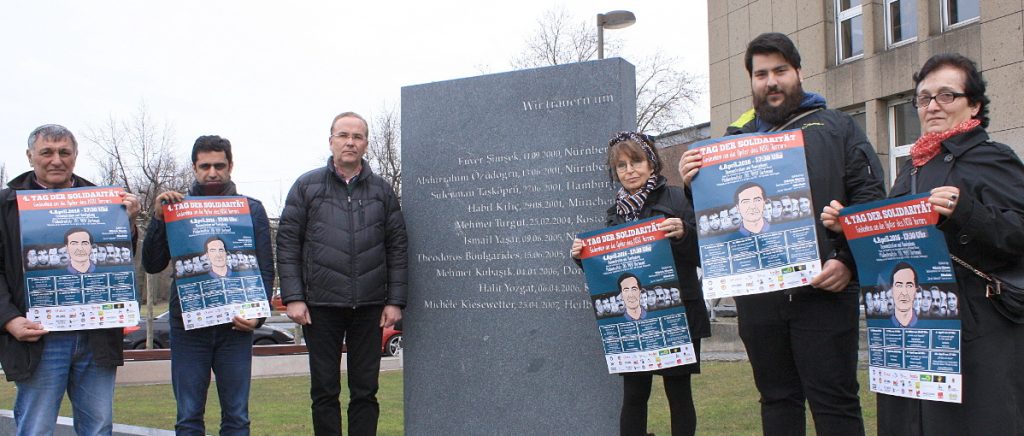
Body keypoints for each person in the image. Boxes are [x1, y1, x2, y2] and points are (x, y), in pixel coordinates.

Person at [678, 33, 886, 435]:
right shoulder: (732, 143)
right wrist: (694, 185)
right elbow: (711, 224)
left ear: (798, 73)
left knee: (835, 403)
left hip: (824, 292)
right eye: (761, 74)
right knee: (776, 400)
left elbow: (871, 201)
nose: (771, 81)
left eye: (780, 71)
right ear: (752, 81)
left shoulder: (837, 127)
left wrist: (847, 261)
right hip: (759, 299)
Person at [821, 53, 1024, 435]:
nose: (932, 106)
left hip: (975, 333)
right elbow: (893, 245)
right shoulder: (913, 167)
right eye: (924, 97)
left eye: (946, 95)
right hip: (911, 332)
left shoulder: (991, 158)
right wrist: (847, 227)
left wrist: (966, 212)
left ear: (974, 105)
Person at [0, 124, 140, 435]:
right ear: (30, 156)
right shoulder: (6, 204)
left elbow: (118, 259)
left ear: (75, 156)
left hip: (96, 336)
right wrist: (9, 319)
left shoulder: (104, 201)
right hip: (39, 338)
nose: (56, 160)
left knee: (99, 427)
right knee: (35, 428)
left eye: (64, 152)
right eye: (46, 152)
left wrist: (127, 223)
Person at [277, 111, 408, 436]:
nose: (350, 142)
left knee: (365, 392)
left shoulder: (382, 190)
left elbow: (397, 246)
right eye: (343, 135)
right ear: (331, 140)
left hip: (370, 307)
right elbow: (288, 244)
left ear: (366, 144)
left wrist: (395, 301)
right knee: (324, 391)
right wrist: (294, 297)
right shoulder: (306, 187)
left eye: (358, 136)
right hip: (320, 308)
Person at [572, 131, 710, 436]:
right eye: (621, 165)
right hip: (631, 317)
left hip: (677, 312)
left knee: (678, 392)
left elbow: (705, 255)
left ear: (651, 163)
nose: (629, 170)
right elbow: (609, 272)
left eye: (635, 161)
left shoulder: (677, 198)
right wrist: (583, 258)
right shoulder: (614, 215)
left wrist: (685, 232)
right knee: (634, 395)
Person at [142, 135, 274, 435]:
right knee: (188, 417)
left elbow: (265, 267)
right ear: (194, 167)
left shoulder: (251, 209)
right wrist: (159, 219)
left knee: (237, 417)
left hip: (236, 326)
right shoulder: (176, 208)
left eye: (219, 165)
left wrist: (258, 316)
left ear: (231, 165)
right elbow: (152, 264)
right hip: (188, 328)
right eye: (205, 166)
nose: (212, 172)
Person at [889, 262, 919, 327]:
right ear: (892, 290)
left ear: (915, 290)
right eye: (899, 285)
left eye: (909, 286)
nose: (904, 293)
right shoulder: (883, 324)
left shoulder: (924, 323)